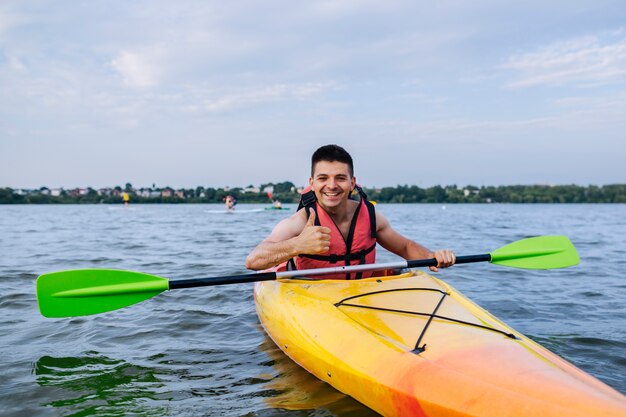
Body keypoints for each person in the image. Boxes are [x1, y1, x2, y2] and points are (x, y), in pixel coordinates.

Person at [245, 144, 455, 279]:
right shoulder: (300, 222)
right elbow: (253, 261)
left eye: (340, 178)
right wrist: (297, 245)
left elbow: (406, 246)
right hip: (311, 298)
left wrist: (432, 256)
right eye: (323, 178)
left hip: (359, 296)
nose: (332, 185)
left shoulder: (372, 218)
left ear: (352, 183)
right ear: (312, 182)